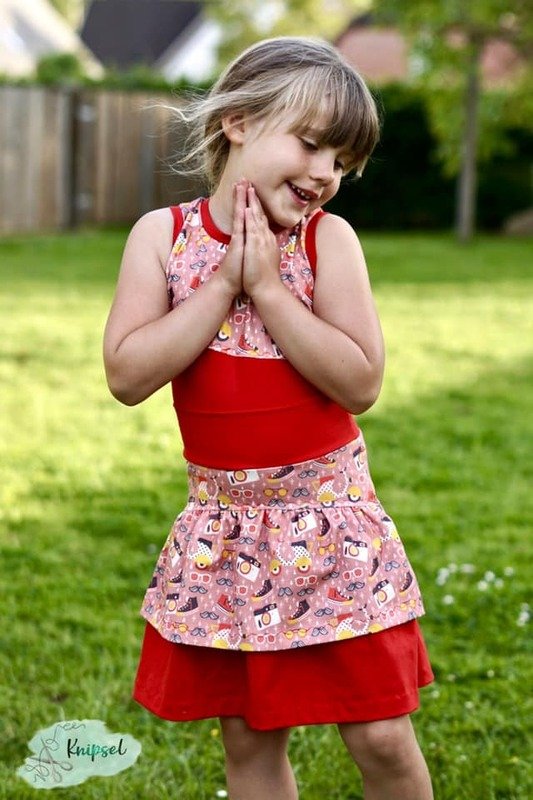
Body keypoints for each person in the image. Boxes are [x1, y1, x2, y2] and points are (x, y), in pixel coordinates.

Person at [103, 36, 434, 800]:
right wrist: (223, 285)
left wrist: (272, 291)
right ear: (240, 122)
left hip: (332, 527)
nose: (325, 173)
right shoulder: (163, 237)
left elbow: (360, 382)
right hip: (227, 532)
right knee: (250, 737)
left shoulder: (326, 241)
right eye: (311, 144)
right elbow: (127, 374)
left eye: (342, 161)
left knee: (380, 734)